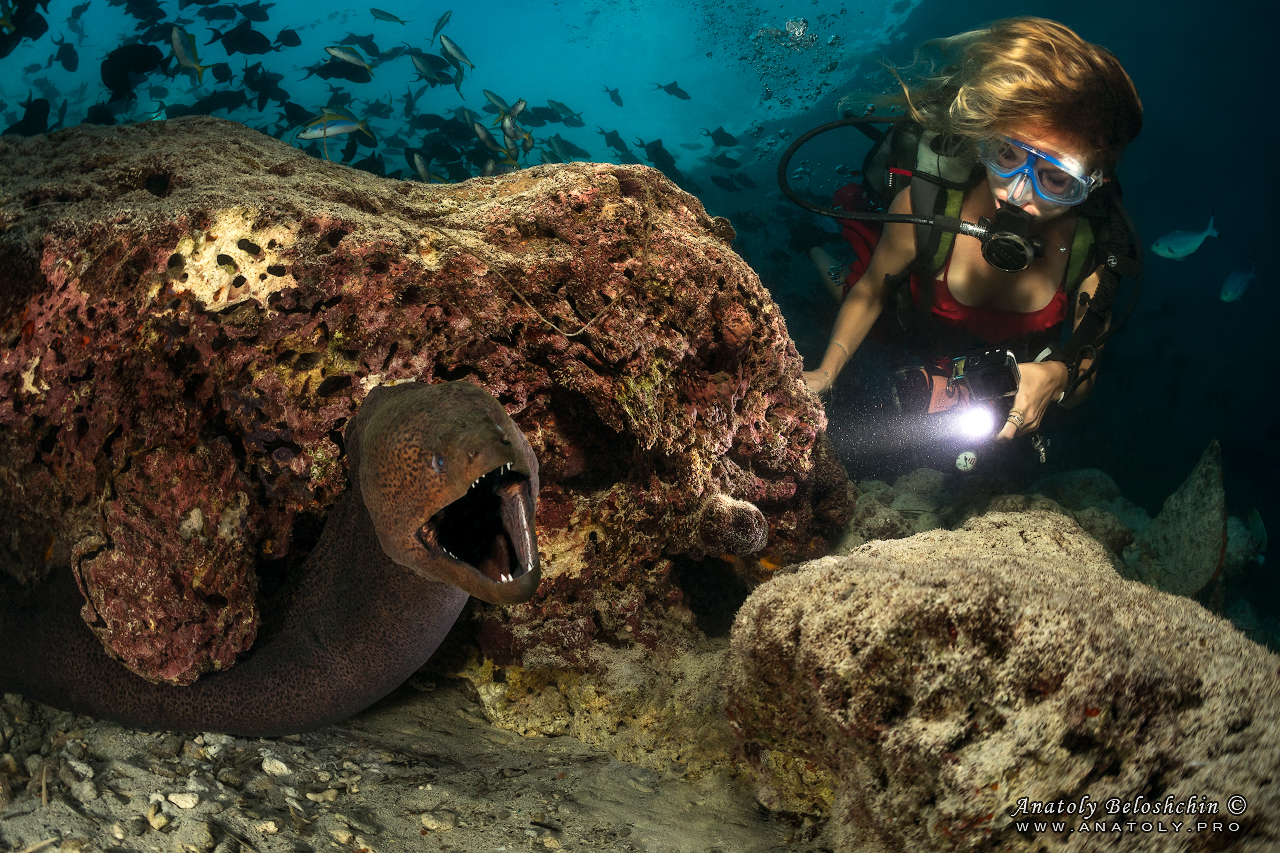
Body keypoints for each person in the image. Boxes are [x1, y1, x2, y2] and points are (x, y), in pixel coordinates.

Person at [800, 18, 1142, 445]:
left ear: (1095, 183)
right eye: (1006, 153)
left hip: (986, 374)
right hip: (908, 323)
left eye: (1055, 179)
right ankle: (814, 249)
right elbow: (871, 292)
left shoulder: (1092, 247)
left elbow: (1084, 377)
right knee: (852, 286)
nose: (1017, 194)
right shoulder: (928, 208)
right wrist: (825, 372)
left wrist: (1056, 376)